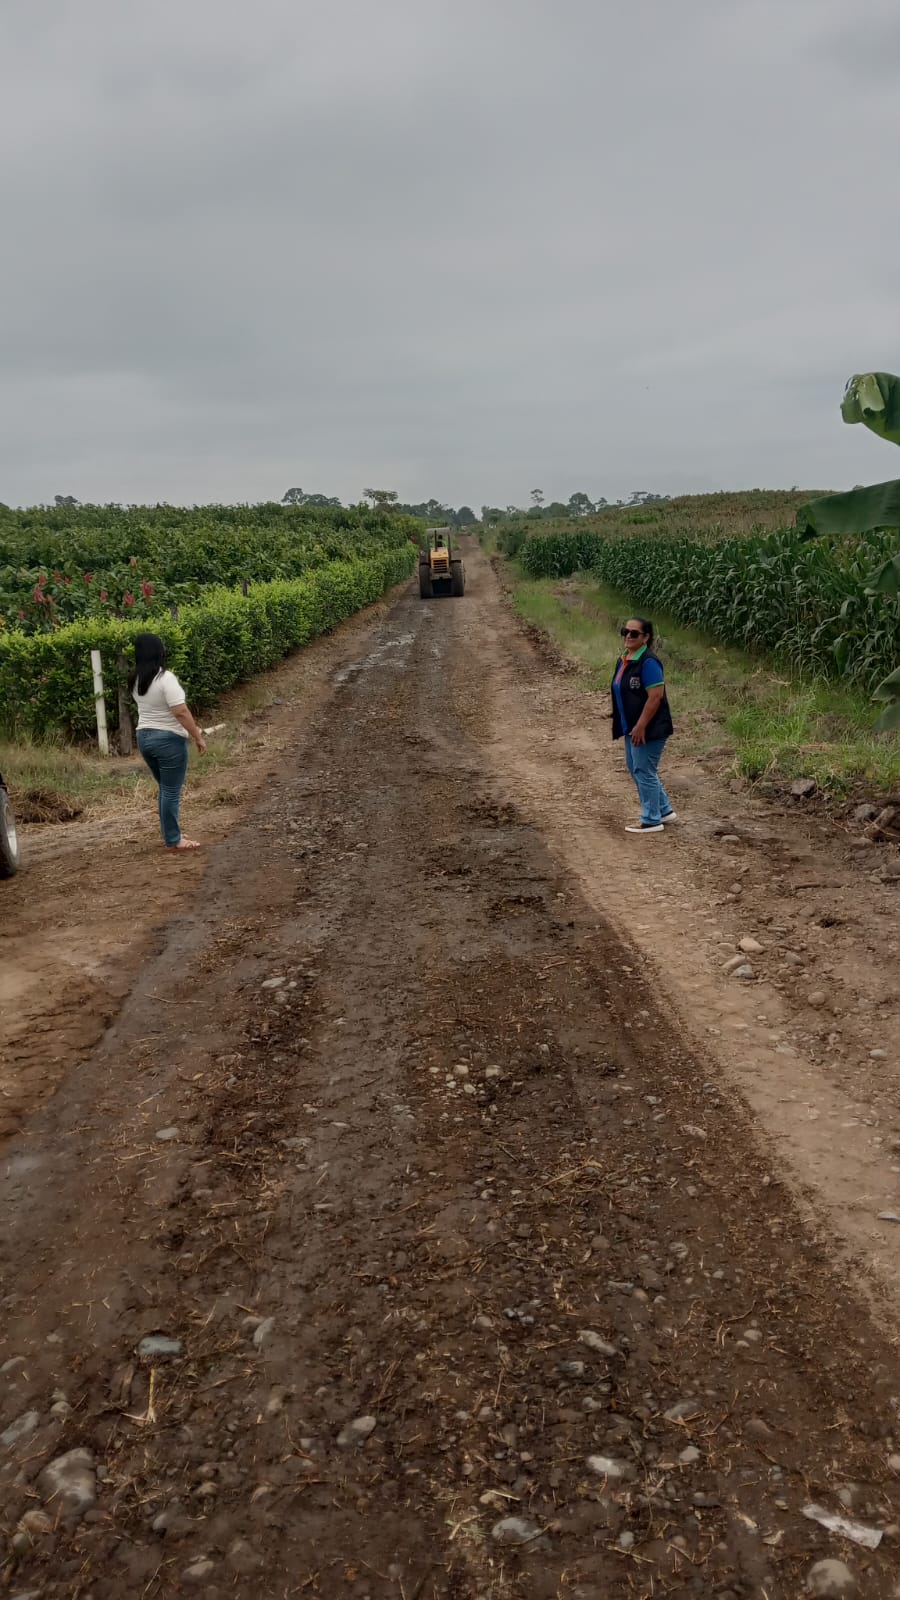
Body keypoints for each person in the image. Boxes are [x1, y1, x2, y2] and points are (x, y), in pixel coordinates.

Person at [130, 633, 206, 852]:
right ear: (159, 652)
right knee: (171, 791)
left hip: (144, 738)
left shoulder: (136, 679)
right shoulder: (166, 678)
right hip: (168, 741)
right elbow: (180, 711)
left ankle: (171, 833)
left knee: (165, 788)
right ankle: (174, 839)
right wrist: (197, 736)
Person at [611, 617, 676, 834]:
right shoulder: (625, 659)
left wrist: (640, 726)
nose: (628, 636)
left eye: (634, 633)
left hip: (649, 728)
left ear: (646, 638)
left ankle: (651, 820)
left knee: (644, 770)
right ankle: (664, 810)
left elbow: (655, 697)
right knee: (636, 767)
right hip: (632, 726)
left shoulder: (648, 663)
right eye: (625, 631)